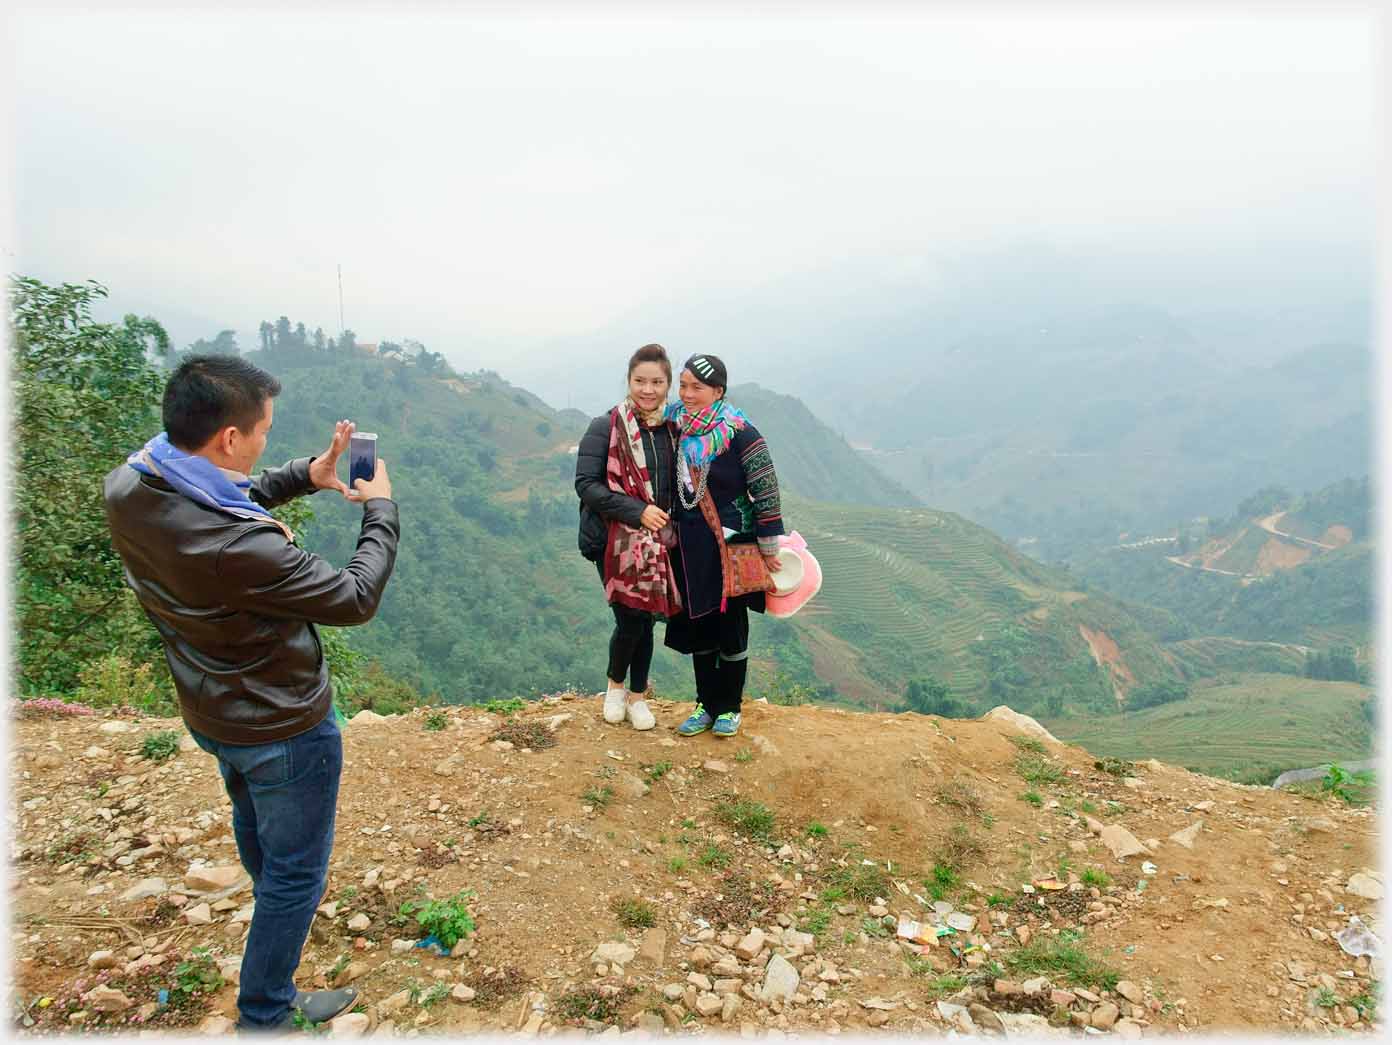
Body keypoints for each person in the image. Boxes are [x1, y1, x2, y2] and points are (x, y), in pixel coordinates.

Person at [103, 354, 398, 1032]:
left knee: (260, 833)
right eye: (263, 431)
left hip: (213, 708)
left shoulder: (133, 483)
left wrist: (303, 475)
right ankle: (265, 1010)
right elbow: (354, 596)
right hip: (283, 724)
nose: (266, 440)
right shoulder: (238, 549)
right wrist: (380, 506)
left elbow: (211, 506)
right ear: (229, 439)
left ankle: (273, 940)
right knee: (298, 872)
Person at [663, 354, 784, 738]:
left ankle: (730, 706)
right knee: (699, 625)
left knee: (730, 625)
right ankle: (704, 704)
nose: (687, 394)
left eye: (697, 387)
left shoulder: (740, 433)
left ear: (718, 391)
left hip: (731, 548)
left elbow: (765, 488)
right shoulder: (673, 430)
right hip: (688, 546)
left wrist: (768, 544)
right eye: (682, 386)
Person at [575, 344, 682, 730]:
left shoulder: (672, 430)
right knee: (630, 616)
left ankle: (638, 697)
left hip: (657, 544)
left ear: (668, 385)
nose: (648, 389)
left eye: (656, 382)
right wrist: (637, 512)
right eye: (640, 381)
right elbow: (586, 485)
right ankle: (615, 686)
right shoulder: (605, 426)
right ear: (629, 381)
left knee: (646, 617)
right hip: (610, 541)